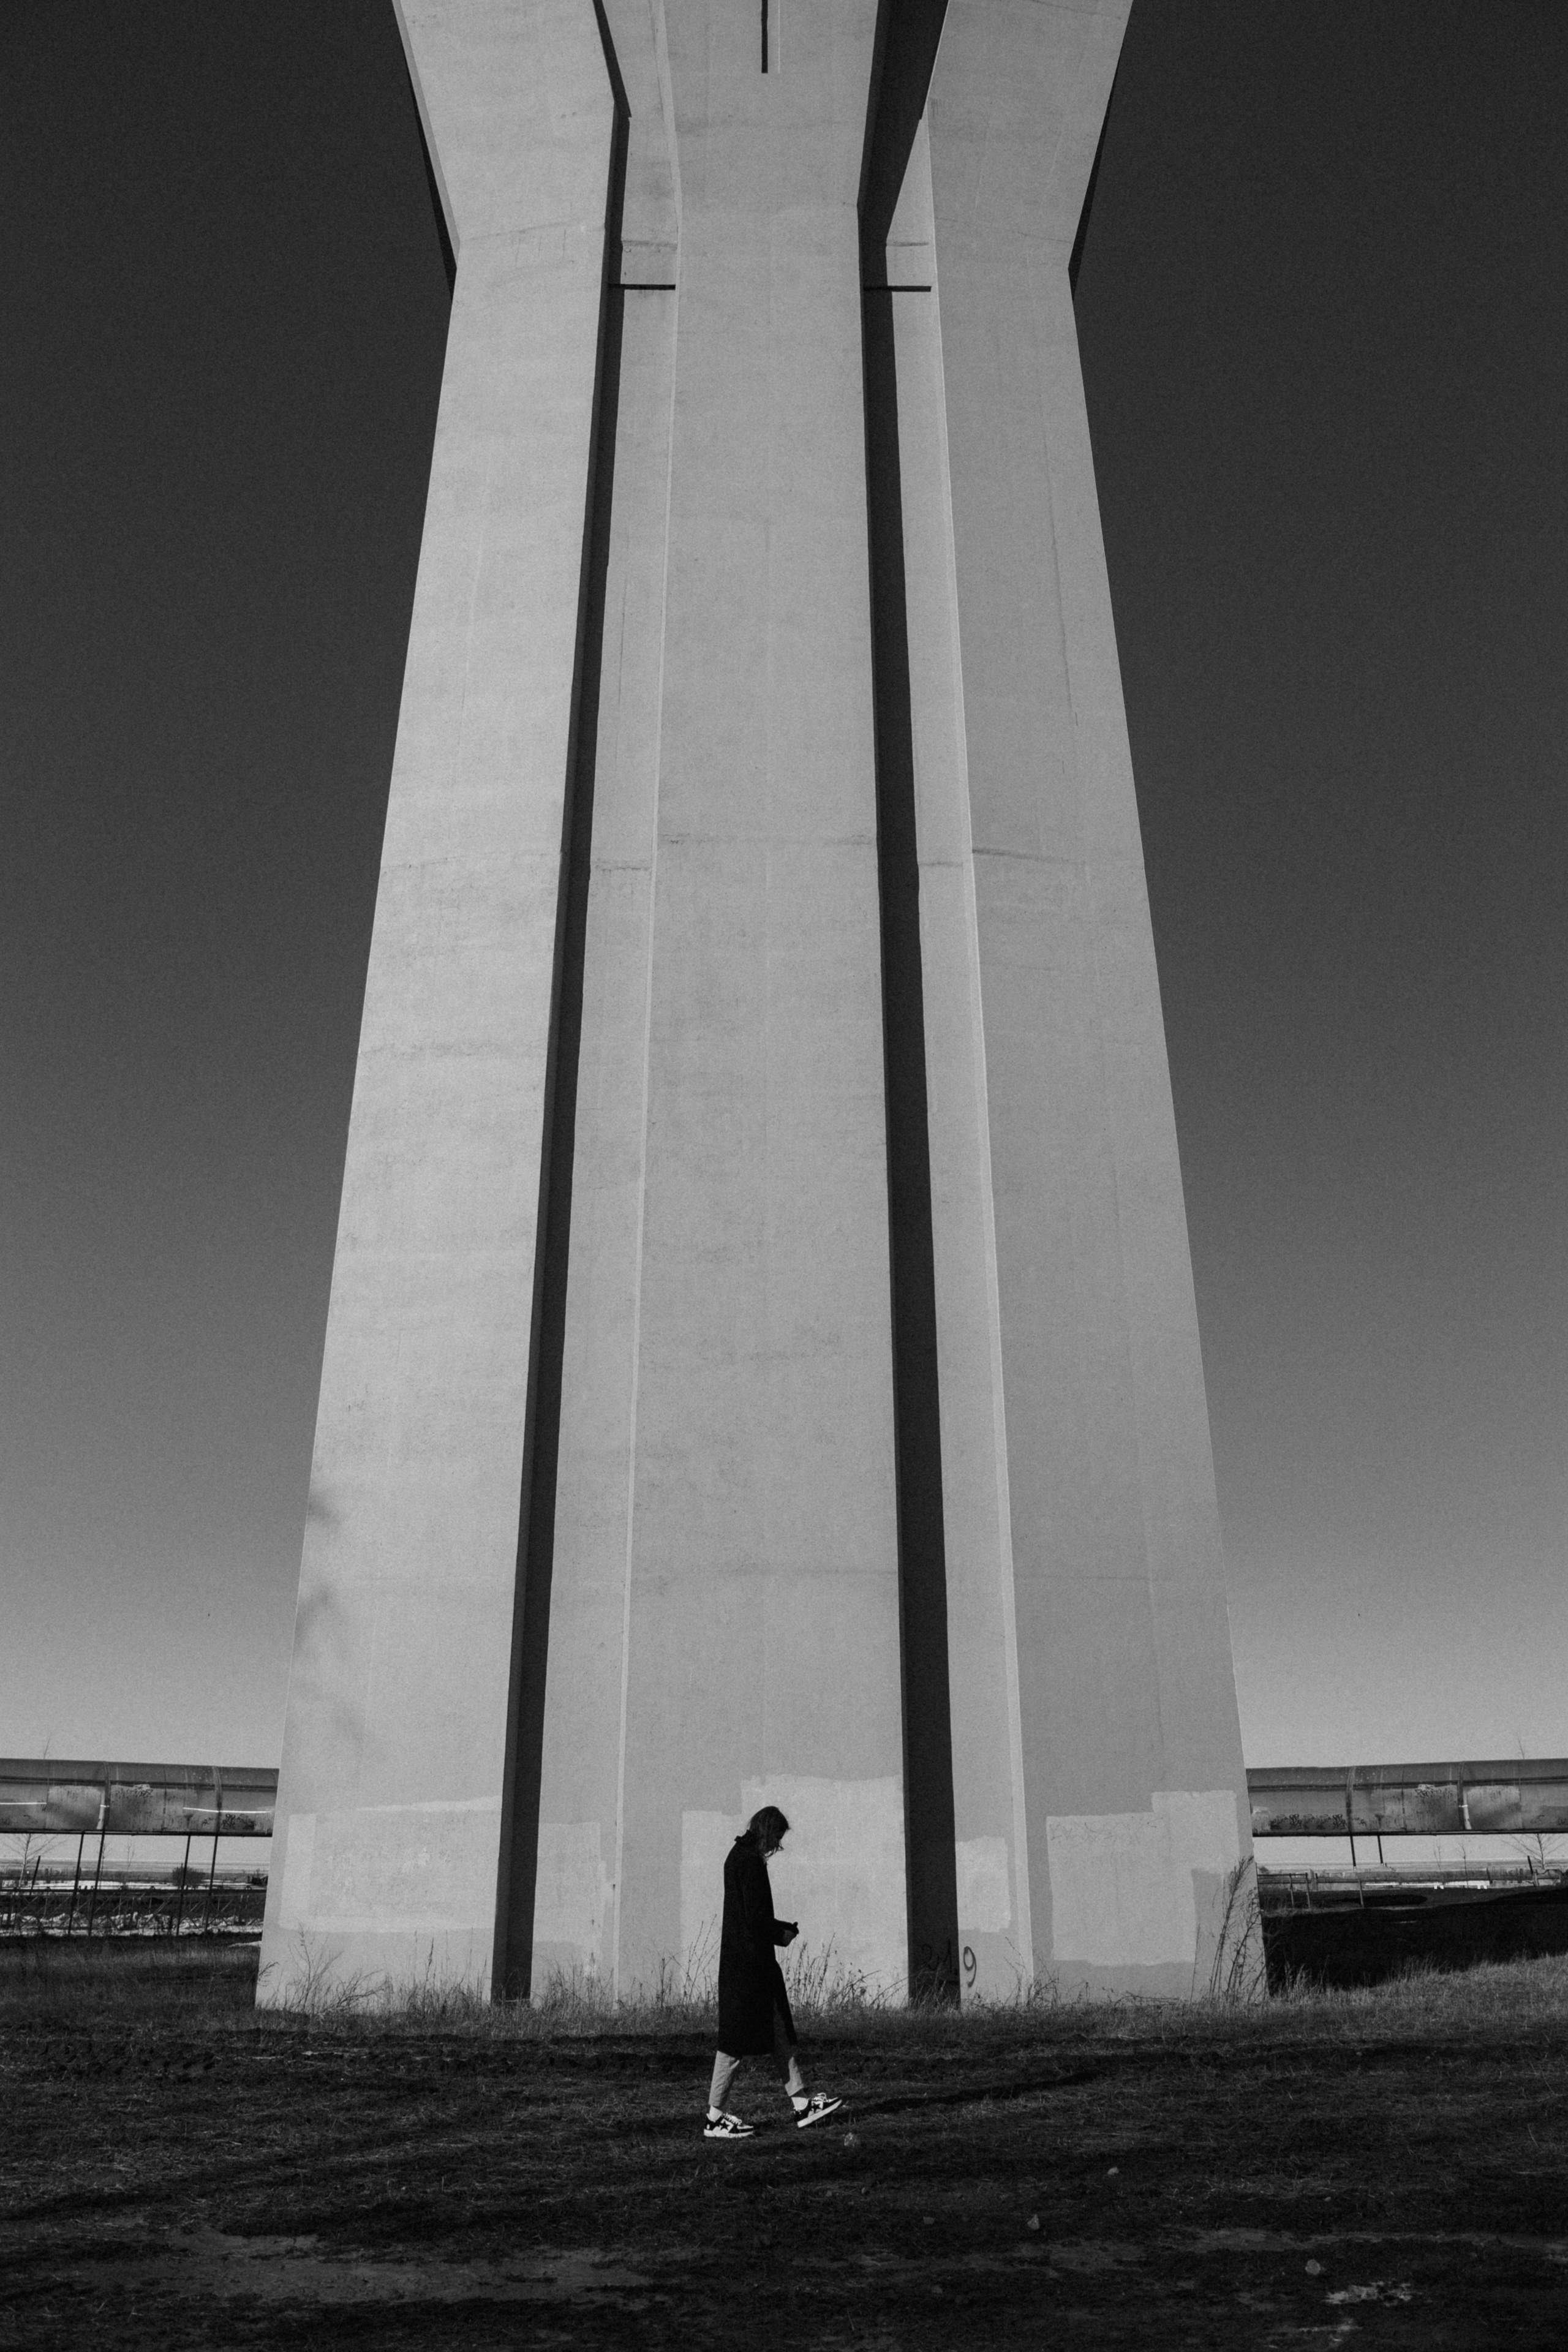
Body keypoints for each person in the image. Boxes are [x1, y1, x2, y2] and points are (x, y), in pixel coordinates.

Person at [703, 1805, 843, 2139]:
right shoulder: (750, 1862)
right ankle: (714, 2118)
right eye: (777, 1838)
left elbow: (750, 1917)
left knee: (777, 2030)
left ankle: (802, 2105)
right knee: (733, 2043)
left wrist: (777, 1929)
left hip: (745, 1964)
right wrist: (781, 1933)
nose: (776, 1846)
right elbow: (756, 1919)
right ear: (768, 1832)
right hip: (749, 1967)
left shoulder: (736, 1856)